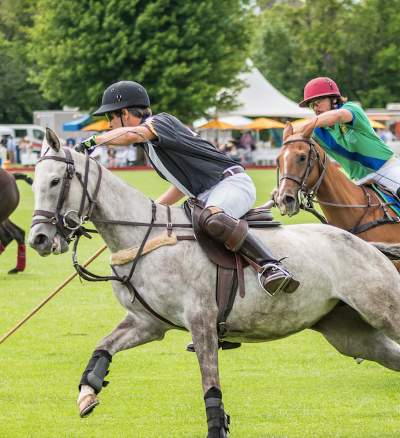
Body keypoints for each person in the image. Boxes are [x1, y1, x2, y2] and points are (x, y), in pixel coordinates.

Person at [75, 80, 300, 296]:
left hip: (231, 183)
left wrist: (94, 141)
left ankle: (271, 266)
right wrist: (151, 212)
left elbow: (131, 134)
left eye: (110, 117)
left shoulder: (159, 122)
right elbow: (181, 187)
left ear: (125, 113)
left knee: (214, 219)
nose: (109, 124)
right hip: (203, 195)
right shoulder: (151, 145)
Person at [293, 77, 400, 252]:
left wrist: (303, 127)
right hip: (359, 180)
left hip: (387, 168)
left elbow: (337, 116)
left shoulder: (351, 110)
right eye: (312, 105)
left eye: (319, 101)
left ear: (334, 99)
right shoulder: (317, 133)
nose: (316, 108)